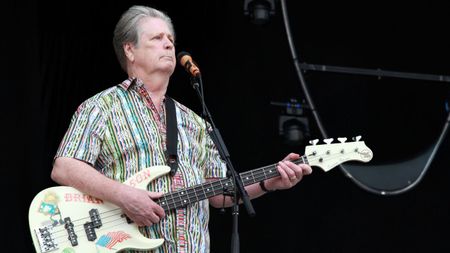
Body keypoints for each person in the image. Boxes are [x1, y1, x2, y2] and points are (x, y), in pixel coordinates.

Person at [51, 5, 312, 253]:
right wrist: (124, 196)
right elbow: (64, 167)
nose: (168, 44)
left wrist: (270, 182)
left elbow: (220, 193)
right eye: (156, 38)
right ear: (130, 50)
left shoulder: (194, 122)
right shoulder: (102, 106)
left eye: (170, 39)